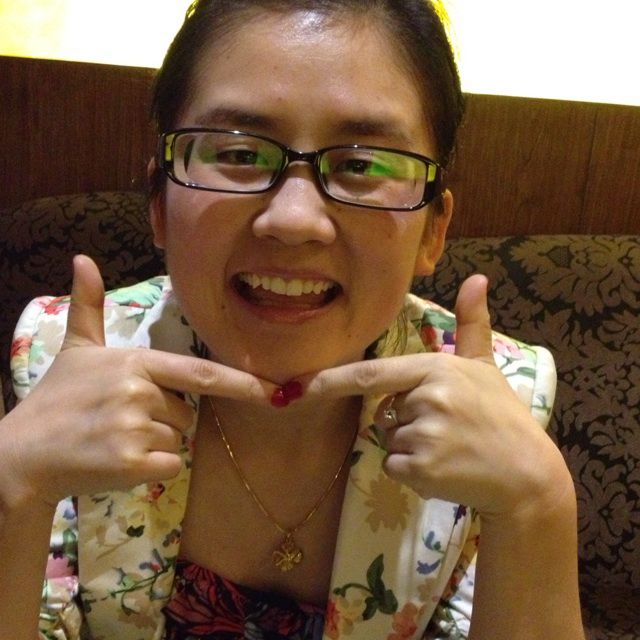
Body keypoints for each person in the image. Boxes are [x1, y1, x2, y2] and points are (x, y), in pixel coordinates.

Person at [0, 1, 585, 638]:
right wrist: (13, 482)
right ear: (159, 205)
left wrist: (538, 505)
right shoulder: (61, 367)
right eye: (238, 153)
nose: (294, 220)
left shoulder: (500, 402)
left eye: (362, 164)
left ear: (433, 231)